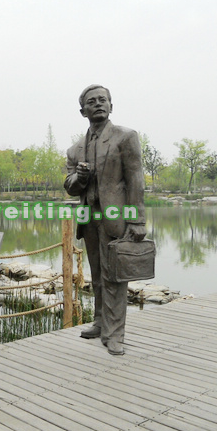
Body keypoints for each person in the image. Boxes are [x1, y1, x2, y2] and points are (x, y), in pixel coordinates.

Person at [64, 85, 146, 355]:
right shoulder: (75, 149)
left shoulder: (126, 137)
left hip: (116, 218)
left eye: (103, 100)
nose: (98, 104)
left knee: (115, 276)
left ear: (111, 106)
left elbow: (135, 179)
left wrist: (136, 220)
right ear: (82, 111)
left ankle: (114, 334)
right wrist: (80, 178)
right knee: (97, 274)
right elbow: (70, 186)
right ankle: (100, 322)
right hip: (89, 218)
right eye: (91, 101)